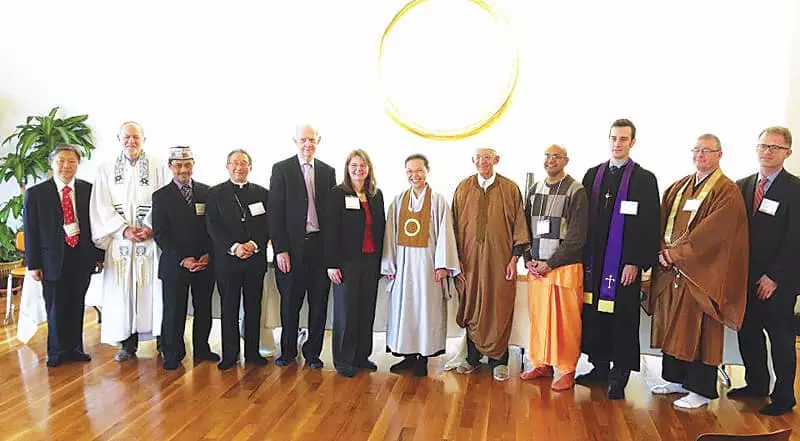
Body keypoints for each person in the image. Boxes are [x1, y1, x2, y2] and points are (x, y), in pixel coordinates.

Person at [648, 134, 748, 408]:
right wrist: (661, 251)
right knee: (673, 325)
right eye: (697, 150)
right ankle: (675, 379)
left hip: (704, 274)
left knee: (701, 330)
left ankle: (702, 390)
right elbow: (660, 219)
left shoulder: (727, 191)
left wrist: (676, 254)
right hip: (673, 272)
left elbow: (712, 233)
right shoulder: (679, 186)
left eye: (707, 151)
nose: (701, 155)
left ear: (719, 154)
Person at [577, 118, 660, 399]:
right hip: (595, 263)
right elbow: (581, 220)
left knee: (622, 319)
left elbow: (650, 224)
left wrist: (636, 262)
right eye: (614, 138)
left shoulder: (644, 180)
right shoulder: (592, 175)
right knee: (595, 314)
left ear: (632, 142)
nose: (618, 143)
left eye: (624, 139)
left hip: (624, 265)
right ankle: (598, 367)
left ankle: (619, 373)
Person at [730, 126, 800, 416]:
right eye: (763, 146)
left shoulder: (795, 189)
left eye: (775, 147)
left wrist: (775, 277)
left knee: (781, 339)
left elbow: (795, 238)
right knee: (748, 333)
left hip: (778, 281)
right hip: (745, 278)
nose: (767, 151)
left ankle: (784, 396)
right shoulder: (741, 185)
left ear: (788, 152)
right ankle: (755, 383)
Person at [89, 121, 167, 361]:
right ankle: (127, 343)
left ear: (143, 138)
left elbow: (165, 199)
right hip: (121, 243)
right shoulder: (106, 168)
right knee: (122, 293)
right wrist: (122, 230)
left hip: (149, 242)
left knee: (154, 290)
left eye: (135, 137)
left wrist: (151, 227)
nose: (131, 141)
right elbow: (101, 204)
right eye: (126, 137)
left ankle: (163, 342)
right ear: (119, 139)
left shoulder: (159, 165)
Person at [23, 145, 104, 367]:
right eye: (61, 161)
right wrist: (33, 264)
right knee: (56, 306)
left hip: (81, 255)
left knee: (77, 303)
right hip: (51, 259)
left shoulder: (89, 190)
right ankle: (57, 351)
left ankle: (76, 348)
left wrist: (99, 255)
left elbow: (95, 225)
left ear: (78, 164)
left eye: (71, 161)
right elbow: (31, 231)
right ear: (52, 164)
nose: (66, 166)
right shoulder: (37, 193)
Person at [381, 154, 460, 377]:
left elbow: (445, 233)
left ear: (427, 171)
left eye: (418, 170)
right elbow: (390, 235)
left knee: (425, 310)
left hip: (428, 266)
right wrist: (390, 264)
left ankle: (423, 358)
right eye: (410, 171)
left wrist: (442, 265)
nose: (414, 175)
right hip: (404, 265)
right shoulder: (398, 201)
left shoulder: (437, 201)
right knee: (406, 309)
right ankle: (407, 355)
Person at [452, 147, 529, 376]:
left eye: (487, 157)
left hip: (500, 260)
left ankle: (499, 361)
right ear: (472, 161)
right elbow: (453, 228)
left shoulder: (509, 188)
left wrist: (514, 260)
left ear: (496, 160)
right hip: (469, 261)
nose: (483, 162)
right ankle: (473, 357)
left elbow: (519, 227)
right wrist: (456, 262)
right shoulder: (463, 188)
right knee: (472, 303)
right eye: (478, 158)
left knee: (498, 305)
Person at [268, 124, 336, 368]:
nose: (307, 144)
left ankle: (313, 354)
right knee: (290, 304)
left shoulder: (328, 172)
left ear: (319, 140)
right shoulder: (281, 169)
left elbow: (331, 215)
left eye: (312, 139)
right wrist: (280, 249)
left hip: (319, 248)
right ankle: (287, 351)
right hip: (292, 250)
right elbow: (274, 213)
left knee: (319, 304)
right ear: (295, 141)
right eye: (303, 139)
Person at [521, 144, 588, 390]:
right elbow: (524, 228)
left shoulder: (576, 190)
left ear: (566, 160)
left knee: (565, 322)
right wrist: (528, 258)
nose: (551, 160)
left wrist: (550, 263)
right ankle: (542, 363)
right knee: (539, 319)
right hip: (537, 268)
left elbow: (576, 235)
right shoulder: (535, 189)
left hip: (563, 267)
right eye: (547, 156)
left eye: (556, 157)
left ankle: (567, 369)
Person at [152, 146, 219, 370]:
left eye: (187, 164)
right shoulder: (160, 196)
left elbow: (213, 227)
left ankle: (202, 347)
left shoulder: (207, 192)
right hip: (176, 263)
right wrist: (184, 259)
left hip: (204, 262)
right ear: (170, 166)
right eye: (178, 165)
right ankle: (172, 352)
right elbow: (161, 234)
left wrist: (207, 254)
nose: (183, 169)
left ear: (193, 165)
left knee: (204, 308)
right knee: (174, 310)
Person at [205, 149, 269, 370]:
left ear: (250, 167)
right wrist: (234, 247)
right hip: (227, 260)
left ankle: (253, 352)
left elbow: (267, 225)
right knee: (229, 308)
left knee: (254, 307)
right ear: (227, 166)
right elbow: (212, 225)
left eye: (244, 163)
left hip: (254, 259)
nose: (239, 167)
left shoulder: (263, 193)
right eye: (234, 163)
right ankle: (230, 354)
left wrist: (252, 245)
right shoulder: (215, 194)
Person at [324, 150, 386, 377]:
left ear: (369, 169)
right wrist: (331, 263)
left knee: (365, 310)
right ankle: (344, 360)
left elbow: (382, 230)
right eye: (354, 166)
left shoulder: (375, 195)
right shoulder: (336, 194)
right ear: (347, 169)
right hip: (346, 262)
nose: (359, 170)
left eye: (363, 166)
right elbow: (330, 231)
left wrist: (383, 263)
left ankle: (362, 356)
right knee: (346, 312)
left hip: (370, 261)